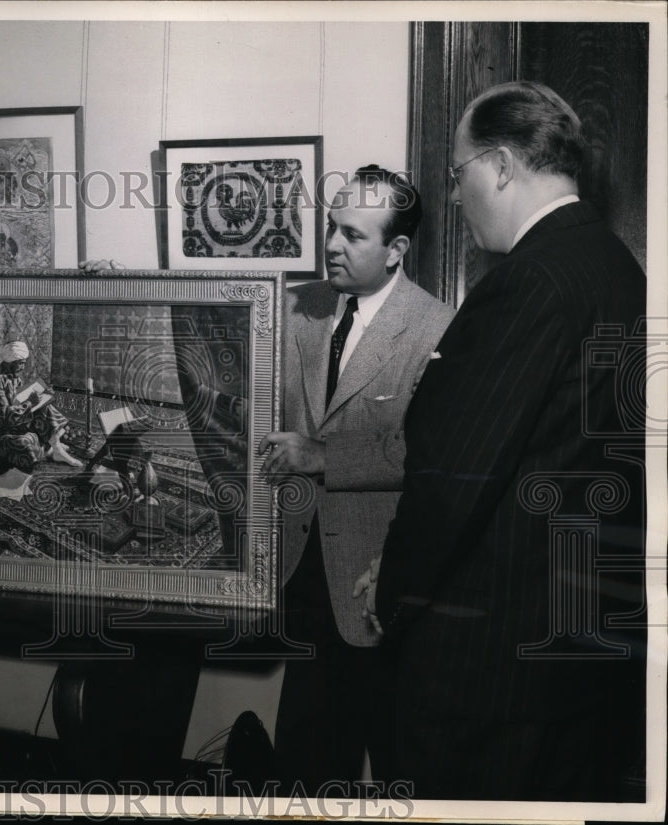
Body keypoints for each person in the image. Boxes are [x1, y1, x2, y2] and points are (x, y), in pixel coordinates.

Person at [368, 81, 646, 800]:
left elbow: (453, 480)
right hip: (582, 654)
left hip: (489, 671)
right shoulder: (619, 269)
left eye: (458, 176)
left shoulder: (526, 283)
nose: (456, 198)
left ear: (496, 164)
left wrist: (391, 592)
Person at [256, 166, 455, 795]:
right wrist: (122, 283)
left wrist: (322, 456)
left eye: (352, 235)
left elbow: (431, 452)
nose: (333, 245)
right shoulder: (299, 304)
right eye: (330, 228)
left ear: (396, 250)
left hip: (380, 577)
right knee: (306, 762)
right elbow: (220, 329)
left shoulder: (438, 328)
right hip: (299, 569)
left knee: (398, 760)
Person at [0, 340, 83, 473]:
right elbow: (4, 416)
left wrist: (43, 396)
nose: (23, 367)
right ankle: (52, 447)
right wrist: (30, 402)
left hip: (15, 423)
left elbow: (19, 403)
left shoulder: (15, 379)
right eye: (21, 363)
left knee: (44, 405)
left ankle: (56, 447)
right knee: (23, 443)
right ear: (9, 362)